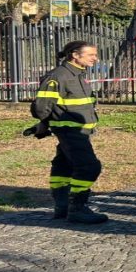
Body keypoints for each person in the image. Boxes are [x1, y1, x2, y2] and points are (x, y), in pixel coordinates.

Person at [30, 41, 108, 224]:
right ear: (75, 54)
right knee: (89, 167)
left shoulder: (77, 74)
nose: (95, 58)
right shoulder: (58, 76)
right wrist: (44, 122)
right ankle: (77, 209)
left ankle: (62, 206)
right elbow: (41, 107)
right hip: (69, 130)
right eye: (91, 55)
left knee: (63, 166)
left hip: (79, 130)